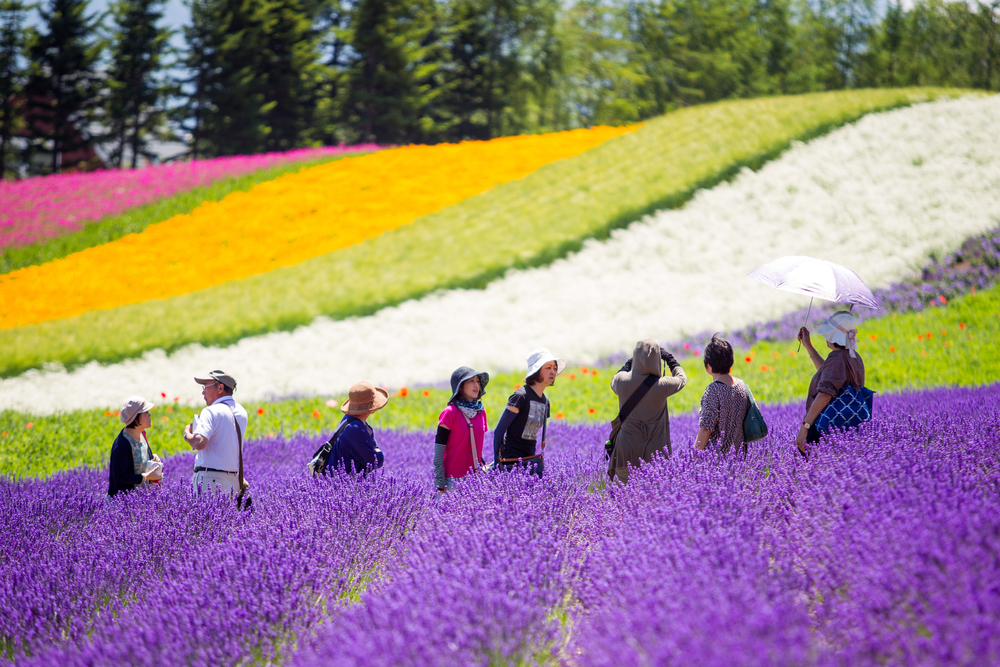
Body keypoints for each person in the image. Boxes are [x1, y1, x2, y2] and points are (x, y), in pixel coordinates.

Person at [609, 338, 687, 482]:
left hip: (625, 451)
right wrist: (671, 360)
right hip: (655, 452)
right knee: (653, 499)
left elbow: (615, 378)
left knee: (624, 499)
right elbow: (682, 379)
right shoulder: (662, 385)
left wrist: (631, 361)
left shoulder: (622, 382)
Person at [795, 311, 866, 456]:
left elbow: (825, 395)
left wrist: (805, 425)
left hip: (826, 427)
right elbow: (827, 374)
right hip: (848, 426)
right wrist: (808, 346)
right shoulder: (853, 356)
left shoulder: (836, 358)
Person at [492, 348, 564, 478]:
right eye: (548, 367)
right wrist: (497, 463)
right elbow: (499, 431)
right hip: (512, 462)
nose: (553, 371)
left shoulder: (545, 402)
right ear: (536, 371)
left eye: (554, 367)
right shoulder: (520, 396)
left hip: (530, 461)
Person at [184, 370, 249, 494]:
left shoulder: (211, 411)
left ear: (220, 388)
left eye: (205, 387)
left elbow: (199, 443)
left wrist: (187, 434)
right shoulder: (241, 411)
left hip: (210, 480)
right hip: (234, 480)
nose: (203, 392)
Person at [434, 366, 490, 492]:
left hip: (475, 478)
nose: (476, 385)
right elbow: (439, 450)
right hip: (452, 480)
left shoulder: (481, 412)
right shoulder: (449, 413)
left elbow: (475, 445)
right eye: (471, 381)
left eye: (478, 381)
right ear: (460, 386)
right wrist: (439, 480)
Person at [693, 335, 750, 455]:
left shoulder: (713, 390)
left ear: (708, 365)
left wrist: (693, 456)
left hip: (716, 461)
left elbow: (705, 428)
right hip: (739, 457)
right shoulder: (742, 386)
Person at [325, 381, 389, 475]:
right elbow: (373, 462)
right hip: (344, 485)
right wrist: (380, 454)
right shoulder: (355, 428)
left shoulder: (351, 420)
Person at [107, 396, 162, 497]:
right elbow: (120, 476)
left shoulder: (142, 434)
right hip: (122, 506)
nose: (150, 415)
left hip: (140, 503)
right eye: (146, 413)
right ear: (136, 418)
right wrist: (145, 477)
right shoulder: (122, 445)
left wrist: (152, 458)